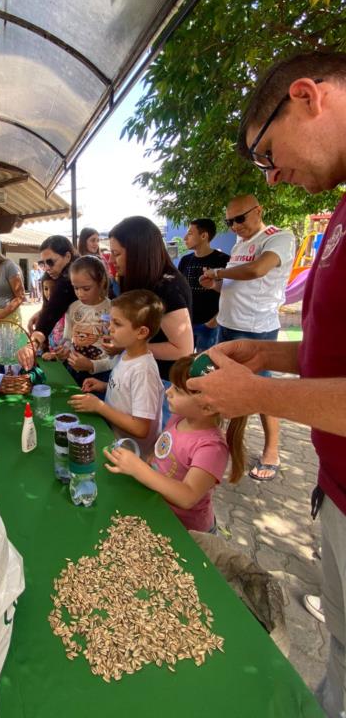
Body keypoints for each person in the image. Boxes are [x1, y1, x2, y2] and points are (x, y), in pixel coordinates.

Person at [186, 51, 346, 718]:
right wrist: (273, 354)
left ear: (307, 97)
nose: (275, 173)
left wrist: (259, 398)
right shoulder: (339, 210)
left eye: (267, 153)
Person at [199, 195, 294, 481]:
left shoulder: (278, 237)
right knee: (222, 386)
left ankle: (272, 452)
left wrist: (217, 271)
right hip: (228, 325)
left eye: (240, 218)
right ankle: (219, 443)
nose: (235, 226)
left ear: (258, 211)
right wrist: (217, 284)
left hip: (256, 330)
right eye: (229, 222)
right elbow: (236, 287)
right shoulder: (240, 245)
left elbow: (256, 270)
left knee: (261, 394)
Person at [104, 354, 247, 533]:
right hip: (160, 509)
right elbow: (165, 448)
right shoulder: (180, 418)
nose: (168, 391)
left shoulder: (211, 448)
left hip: (187, 531)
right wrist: (150, 459)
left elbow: (187, 496)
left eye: (178, 390)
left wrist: (139, 469)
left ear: (207, 407)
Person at [68, 289, 164, 456]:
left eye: (117, 324)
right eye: (110, 321)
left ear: (141, 332)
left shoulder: (144, 372)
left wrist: (99, 407)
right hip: (115, 440)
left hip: (133, 456)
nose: (109, 329)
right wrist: (104, 386)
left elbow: (141, 428)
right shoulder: (126, 354)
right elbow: (127, 389)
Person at [108, 216, 193, 383]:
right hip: (142, 374)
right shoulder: (145, 281)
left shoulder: (166, 287)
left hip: (163, 382)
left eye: (116, 254)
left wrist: (127, 345)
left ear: (137, 253)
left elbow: (183, 349)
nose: (111, 260)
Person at [19, 236, 78, 367]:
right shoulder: (64, 276)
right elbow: (55, 306)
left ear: (68, 256)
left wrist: (33, 344)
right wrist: (41, 312)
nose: (46, 268)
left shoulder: (68, 279)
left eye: (50, 262)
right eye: (43, 263)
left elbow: (52, 312)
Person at [56, 255, 112, 385]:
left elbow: (116, 355)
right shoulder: (73, 307)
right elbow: (67, 338)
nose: (80, 294)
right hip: (74, 369)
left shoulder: (112, 309)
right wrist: (65, 350)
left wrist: (91, 365)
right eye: (76, 288)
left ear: (102, 282)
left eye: (86, 288)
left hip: (101, 374)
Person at [178, 219, 229, 351]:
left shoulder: (223, 260)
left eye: (190, 233)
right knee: (185, 365)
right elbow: (180, 291)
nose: (185, 238)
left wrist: (213, 323)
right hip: (187, 324)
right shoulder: (185, 260)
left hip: (211, 325)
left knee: (207, 367)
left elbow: (231, 294)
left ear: (204, 236)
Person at [40, 274, 65, 359]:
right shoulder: (44, 313)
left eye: (54, 288)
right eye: (46, 288)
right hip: (49, 357)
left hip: (65, 360)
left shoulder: (67, 313)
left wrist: (55, 355)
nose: (49, 293)